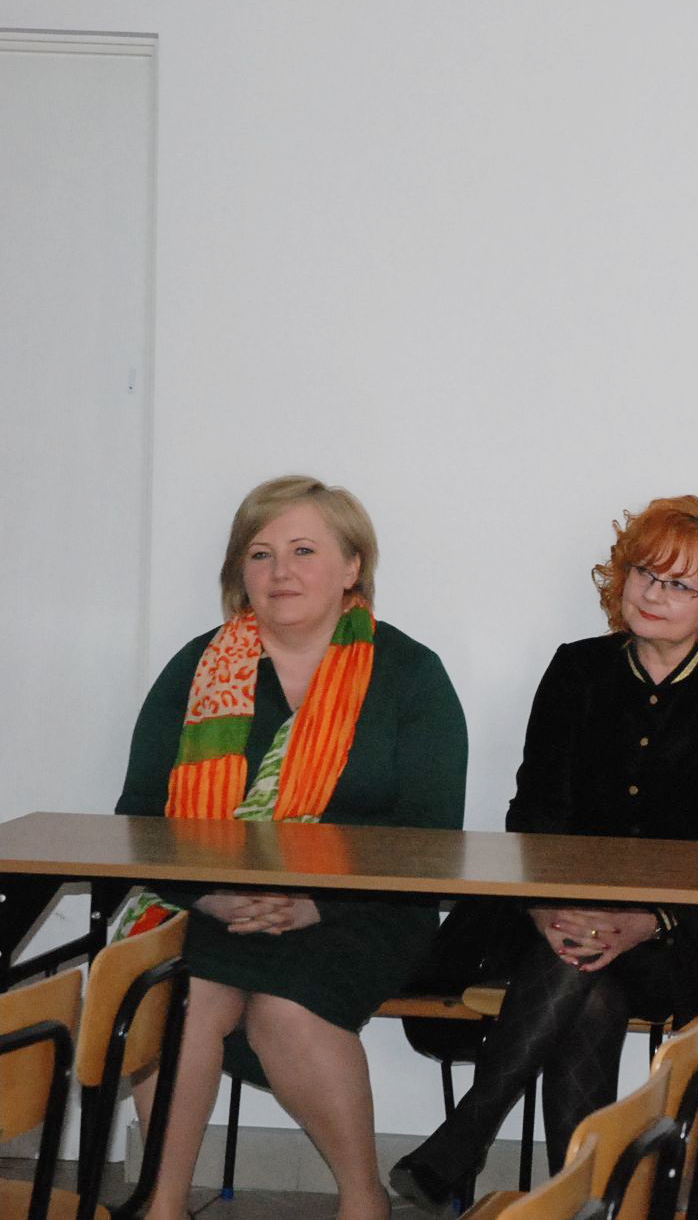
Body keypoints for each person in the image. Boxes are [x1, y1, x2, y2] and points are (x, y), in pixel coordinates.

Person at [390, 494, 698, 1208]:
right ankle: (582, 1202)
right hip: (549, 916)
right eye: (644, 572)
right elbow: (534, 812)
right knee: (587, 986)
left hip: (674, 932)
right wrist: (549, 908)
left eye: (679, 583)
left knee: (583, 979)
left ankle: (469, 1135)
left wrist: (644, 920)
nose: (652, 593)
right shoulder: (577, 669)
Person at [115, 476, 468, 1220]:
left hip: (367, 907)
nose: (280, 571)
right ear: (238, 572)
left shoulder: (410, 674)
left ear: (352, 566)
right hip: (210, 897)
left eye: (304, 550)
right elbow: (140, 818)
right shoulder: (197, 668)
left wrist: (317, 901)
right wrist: (211, 894)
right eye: (261, 553)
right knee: (177, 993)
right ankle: (163, 1203)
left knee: (286, 1008)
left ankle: (363, 1200)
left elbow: (430, 837)